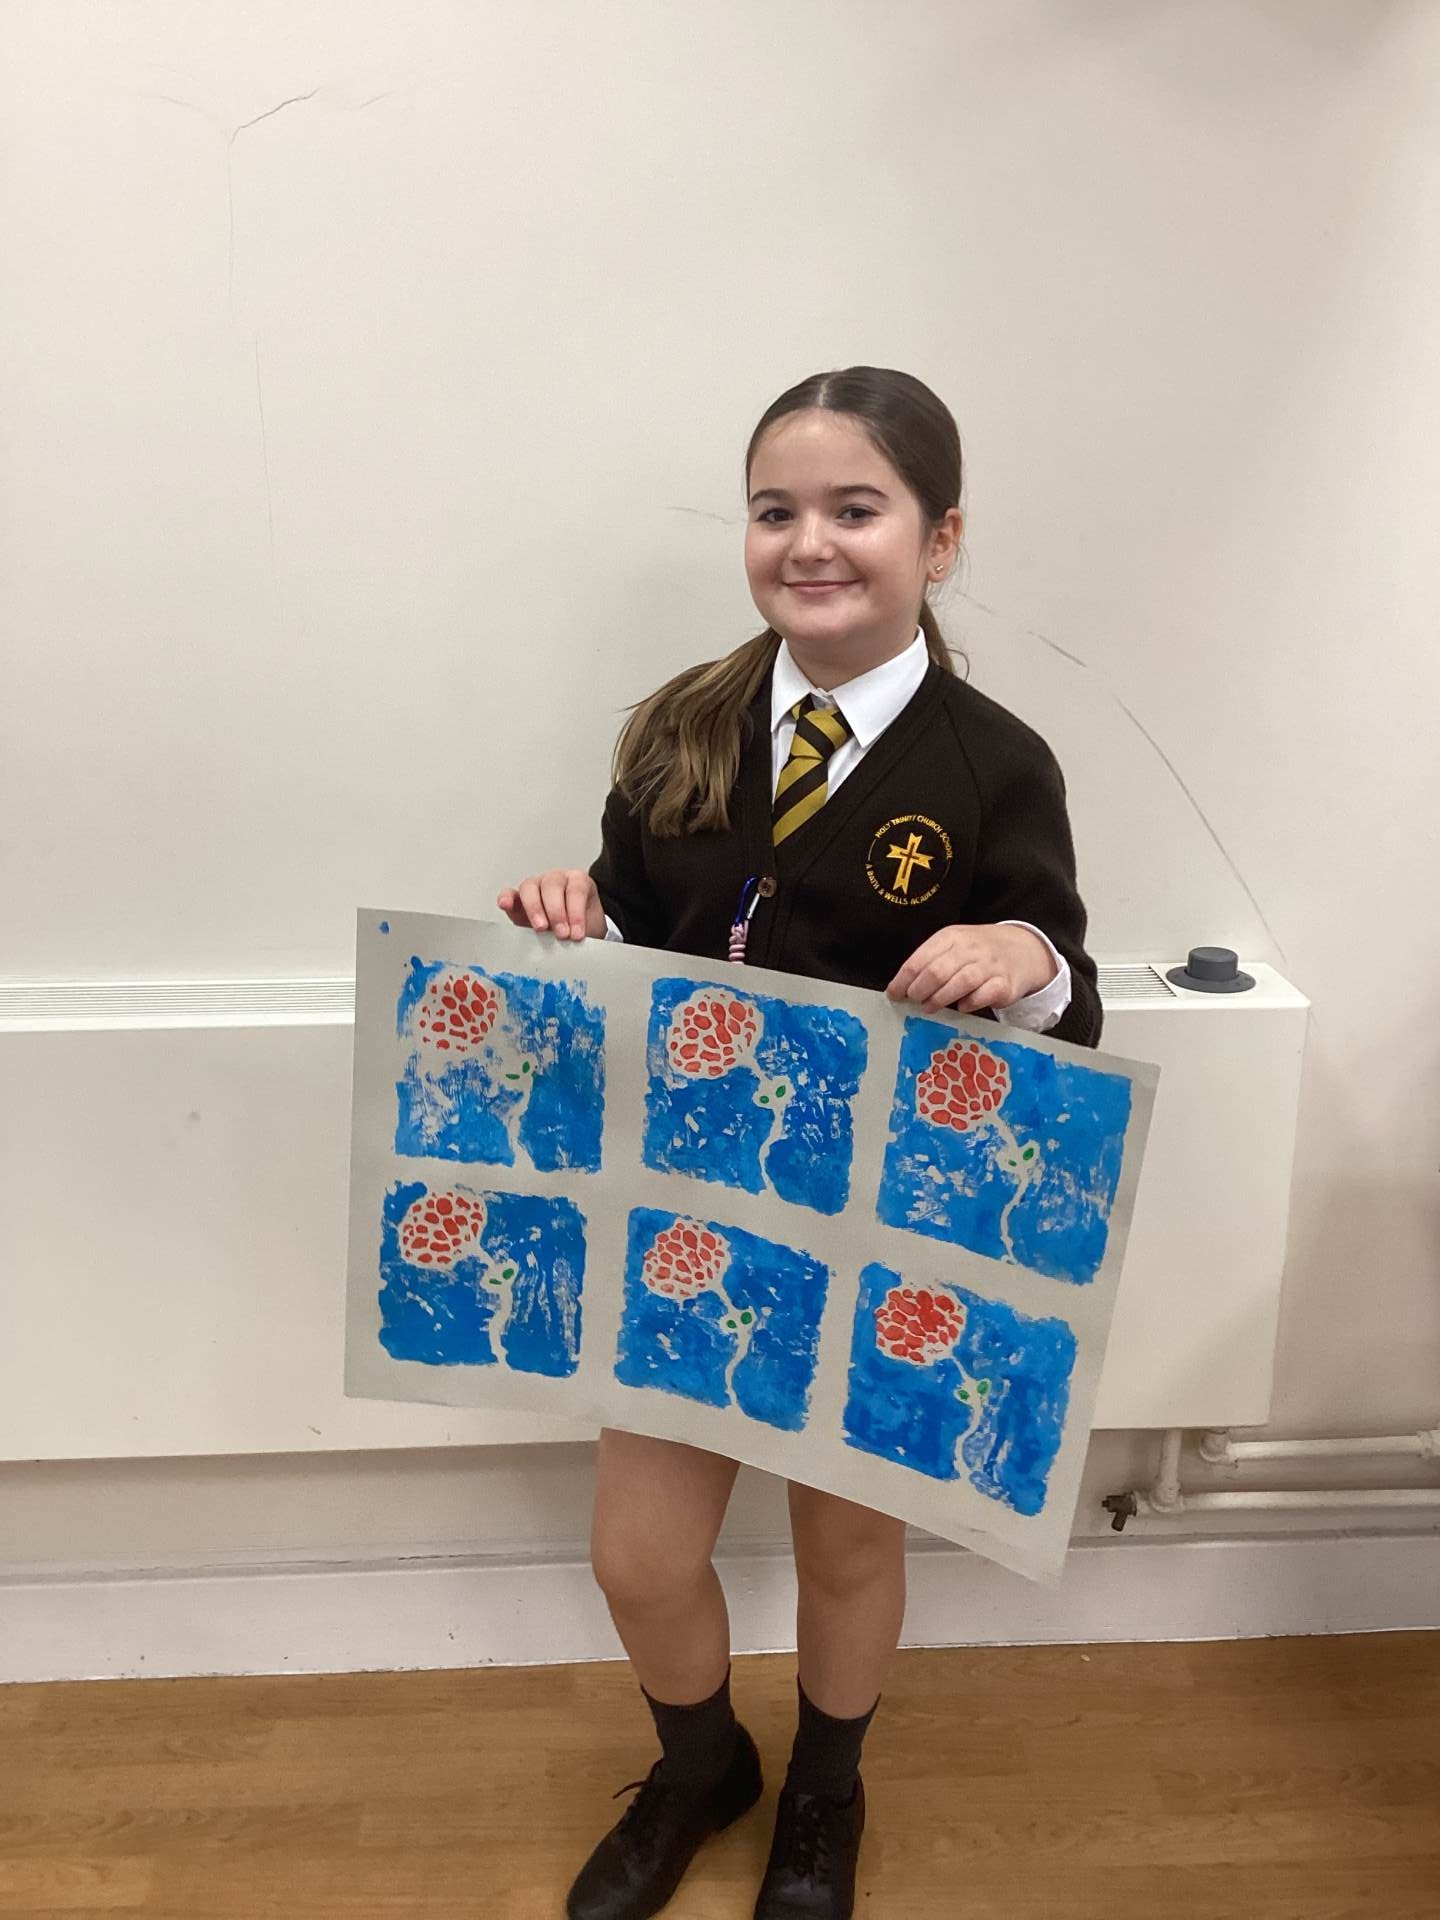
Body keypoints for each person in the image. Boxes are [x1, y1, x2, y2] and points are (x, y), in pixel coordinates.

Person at [498, 366, 1101, 1920]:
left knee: (843, 1547)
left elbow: (1064, 985)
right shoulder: (679, 732)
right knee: (638, 1555)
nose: (811, 542)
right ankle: (703, 1765)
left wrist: (1025, 956)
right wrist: (574, 923)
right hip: (692, 1205)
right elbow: (637, 937)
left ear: (940, 539)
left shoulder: (996, 762)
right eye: (777, 511)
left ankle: (826, 1793)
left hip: (880, 1227)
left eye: (856, 509)